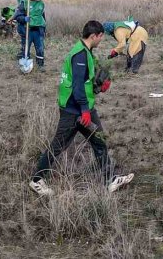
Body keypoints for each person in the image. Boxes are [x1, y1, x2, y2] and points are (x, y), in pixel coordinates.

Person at [28, 21, 134, 196]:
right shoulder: (80, 55)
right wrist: (84, 110)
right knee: (58, 145)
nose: (101, 40)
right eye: (100, 37)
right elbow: (77, 86)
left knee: (99, 141)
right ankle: (37, 181)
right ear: (94, 36)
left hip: (84, 108)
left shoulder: (86, 51)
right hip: (73, 110)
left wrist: (98, 87)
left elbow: (84, 83)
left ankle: (111, 180)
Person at [15, 0, 47, 72]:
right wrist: (24, 19)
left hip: (38, 30)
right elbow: (17, 16)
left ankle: (40, 65)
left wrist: (44, 28)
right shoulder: (25, 3)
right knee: (26, 48)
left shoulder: (41, 4)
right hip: (28, 30)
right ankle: (26, 65)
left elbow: (43, 17)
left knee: (40, 48)